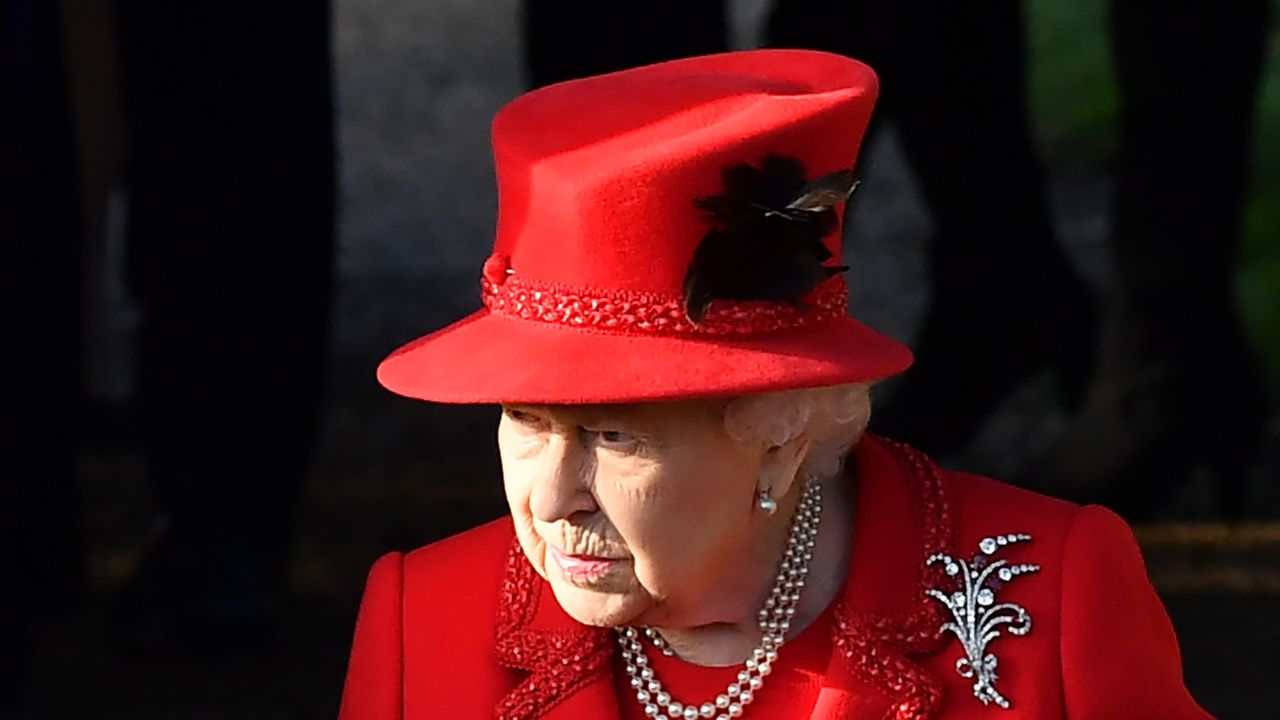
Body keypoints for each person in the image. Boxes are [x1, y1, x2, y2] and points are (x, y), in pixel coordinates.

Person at [338, 50, 1210, 719]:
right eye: (527, 421)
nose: (554, 495)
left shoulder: (1054, 592)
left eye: (614, 437)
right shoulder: (422, 620)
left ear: (780, 430)